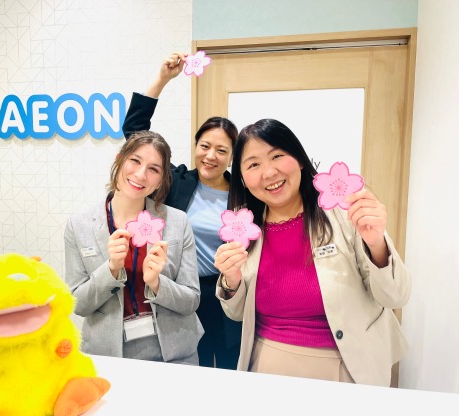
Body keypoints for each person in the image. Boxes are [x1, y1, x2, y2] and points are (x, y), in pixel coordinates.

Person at [214, 118, 411, 386]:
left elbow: (395, 296)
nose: (269, 172)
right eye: (253, 165)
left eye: (277, 156)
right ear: (243, 180)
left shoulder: (343, 214)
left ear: (300, 160)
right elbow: (236, 314)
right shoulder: (244, 229)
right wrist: (231, 281)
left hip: (347, 366)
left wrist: (377, 244)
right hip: (266, 363)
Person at [122, 52, 242, 369]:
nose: (211, 156)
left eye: (221, 150)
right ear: (195, 146)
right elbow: (135, 132)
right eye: (205, 146)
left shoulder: (244, 196)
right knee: (191, 367)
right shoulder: (176, 182)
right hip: (183, 290)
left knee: (231, 367)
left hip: (228, 292)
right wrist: (162, 79)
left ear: (232, 157)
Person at [64, 130, 204, 365]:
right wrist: (111, 270)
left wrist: (157, 283)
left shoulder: (177, 222)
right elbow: (78, 304)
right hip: (108, 355)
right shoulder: (78, 225)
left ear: (161, 179)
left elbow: (191, 300)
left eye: (154, 169)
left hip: (176, 354)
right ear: (120, 159)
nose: (141, 175)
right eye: (135, 161)